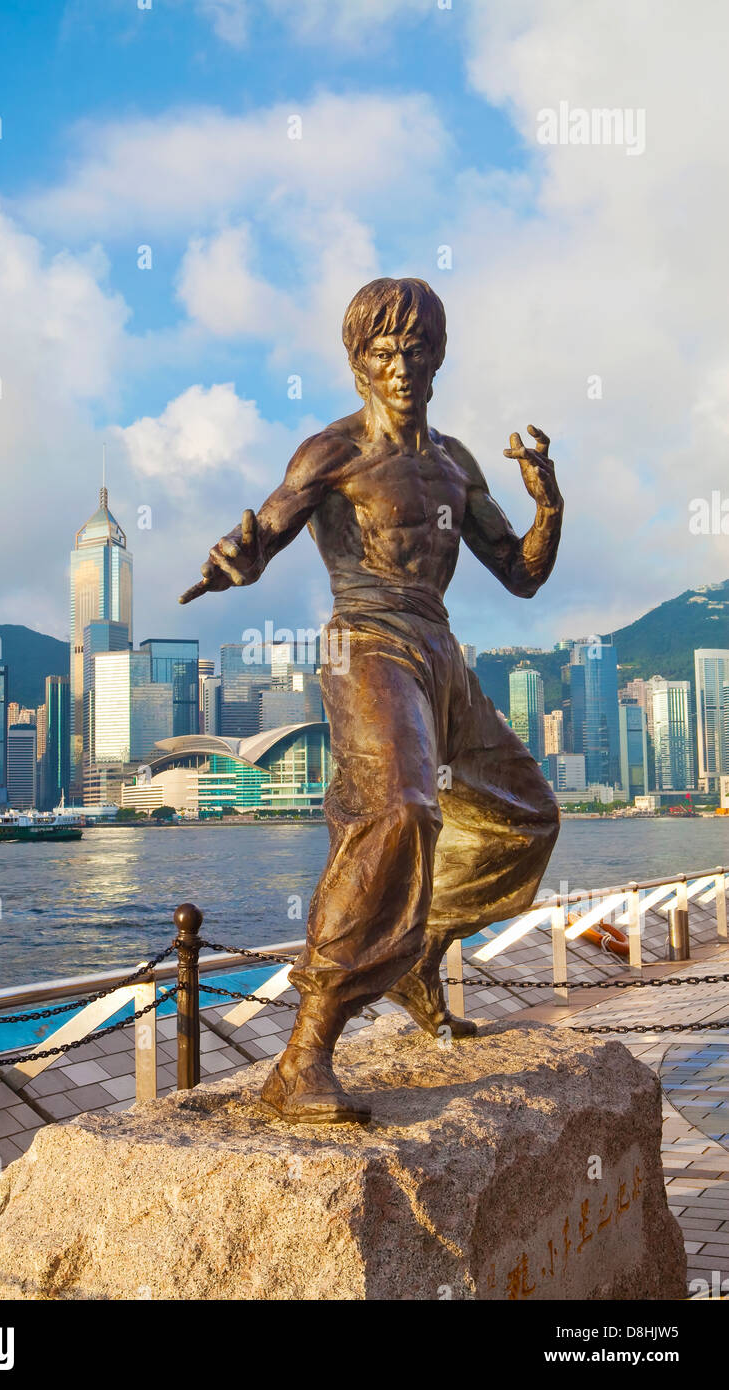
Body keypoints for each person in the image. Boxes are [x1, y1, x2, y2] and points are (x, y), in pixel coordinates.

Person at [180, 277, 563, 1123]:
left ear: (438, 357)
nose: (401, 365)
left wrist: (550, 503)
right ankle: (304, 1055)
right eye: (383, 352)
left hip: (439, 646)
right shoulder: (333, 452)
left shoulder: (457, 462)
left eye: (416, 349)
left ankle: (419, 952)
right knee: (397, 809)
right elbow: (270, 531)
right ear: (358, 363)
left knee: (529, 812)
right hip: (367, 641)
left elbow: (525, 575)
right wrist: (237, 558)